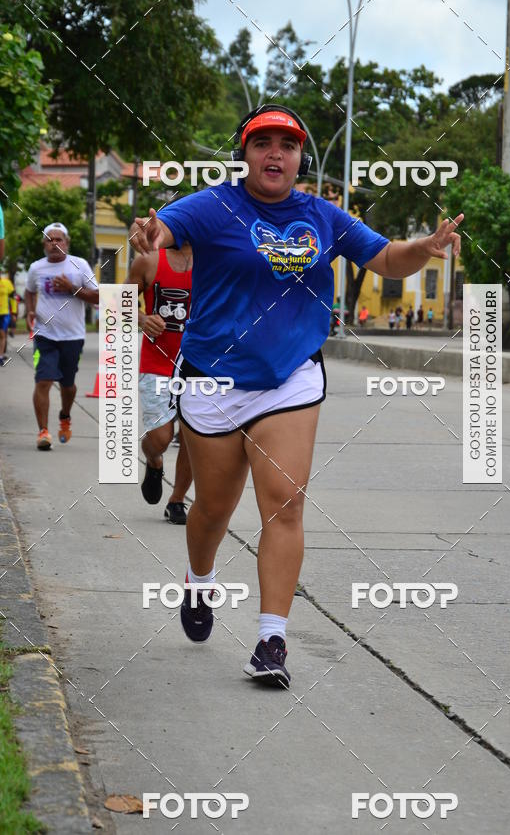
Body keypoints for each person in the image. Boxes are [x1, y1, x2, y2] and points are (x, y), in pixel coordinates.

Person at [128, 103, 462, 688]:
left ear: (301, 156)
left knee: (284, 502)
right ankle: (199, 582)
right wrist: (153, 234)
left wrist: (425, 248)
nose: (275, 154)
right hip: (215, 377)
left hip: (290, 378)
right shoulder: (214, 205)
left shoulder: (324, 216)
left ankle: (271, 639)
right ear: (246, 154)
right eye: (263, 144)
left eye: (287, 144)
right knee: (212, 507)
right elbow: (166, 232)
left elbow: (385, 258)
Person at [127, 244, 193, 524]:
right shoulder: (148, 260)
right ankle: (153, 461)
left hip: (198, 366)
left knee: (193, 439)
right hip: (157, 364)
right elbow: (117, 303)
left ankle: (177, 500)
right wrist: (142, 318)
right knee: (161, 439)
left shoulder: (213, 260)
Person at [25, 223, 99, 450]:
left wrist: (71, 288)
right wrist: (29, 310)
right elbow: (29, 291)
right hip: (45, 335)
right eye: (50, 239)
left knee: (68, 386)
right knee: (43, 381)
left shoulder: (79, 265)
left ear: (67, 242)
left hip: (72, 337)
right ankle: (43, 432)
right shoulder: (36, 268)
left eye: (59, 239)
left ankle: (65, 416)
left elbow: (97, 297)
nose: (54, 243)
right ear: (44, 244)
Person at [0, 269, 15, 366]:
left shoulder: (7, 283)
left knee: (2, 335)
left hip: (4, 313)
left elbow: (13, 298)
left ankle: (0, 356)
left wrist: (14, 313)